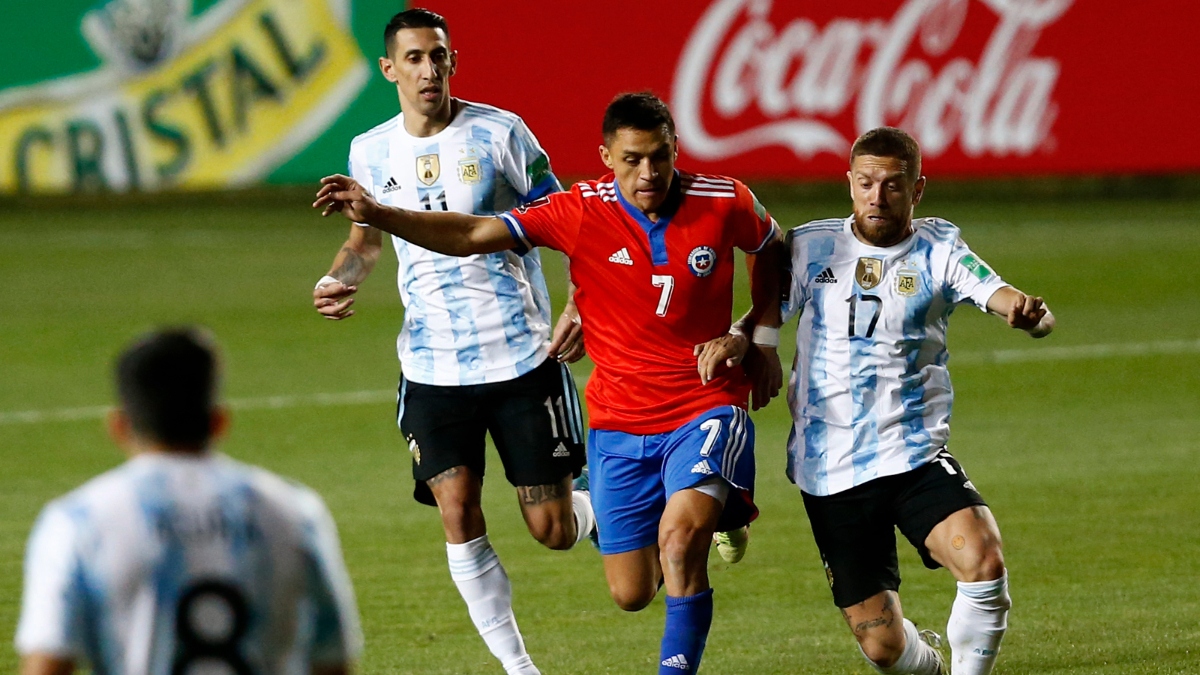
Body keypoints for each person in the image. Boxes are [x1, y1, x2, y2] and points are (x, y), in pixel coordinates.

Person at [313, 91, 784, 674]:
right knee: (630, 591)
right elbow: (470, 234)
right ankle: (716, 512)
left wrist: (754, 337)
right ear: (606, 157)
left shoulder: (724, 199)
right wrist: (379, 213)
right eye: (632, 159)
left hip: (706, 401)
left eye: (659, 157)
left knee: (681, 540)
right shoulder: (580, 210)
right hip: (620, 419)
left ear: (675, 150)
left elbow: (774, 247)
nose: (648, 173)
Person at [309, 9, 594, 675]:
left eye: (437, 56)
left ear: (453, 61)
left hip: (522, 355)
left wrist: (582, 300)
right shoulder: (369, 150)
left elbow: (575, 222)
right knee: (457, 506)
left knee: (552, 530)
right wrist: (338, 276)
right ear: (390, 69)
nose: (428, 69)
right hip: (432, 364)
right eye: (413, 58)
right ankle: (520, 668)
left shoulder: (501, 133)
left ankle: (601, 510)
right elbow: (364, 244)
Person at [780, 127, 1055, 675]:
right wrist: (741, 340)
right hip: (830, 467)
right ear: (849, 185)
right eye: (866, 184)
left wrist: (1027, 313)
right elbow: (762, 318)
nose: (877, 197)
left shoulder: (939, 247)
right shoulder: (810, 247)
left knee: (983, 558)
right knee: (883, 648)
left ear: (917, 189)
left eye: (893, 185)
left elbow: (996, 291)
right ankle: (927, 663)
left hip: (911, 452)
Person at [15, 328, 362, 675]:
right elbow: (332, 661)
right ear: (219, 421)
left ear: (119, 426)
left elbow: (48, 663)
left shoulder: (79, 520)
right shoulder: (292, 511)